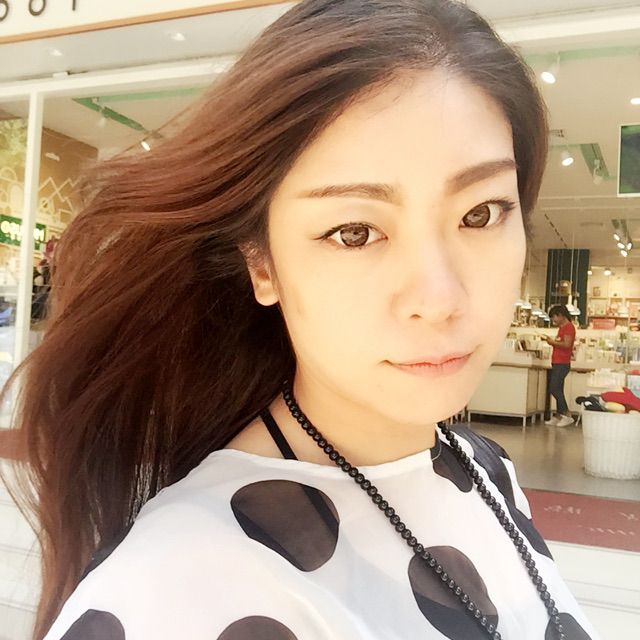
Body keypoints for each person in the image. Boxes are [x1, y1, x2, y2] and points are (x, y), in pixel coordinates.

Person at [1, 2, 600, 639]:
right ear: (263, 265)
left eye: (480, 214)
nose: (440, 298)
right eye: (354, 231)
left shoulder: (484, 469)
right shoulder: (185, 588)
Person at [544, 305, 577, 427]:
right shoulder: (562, 328)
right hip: (558, 362)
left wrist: (552, 342)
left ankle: (566, 414)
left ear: (561, 315)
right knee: (558, 389)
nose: (554, 320)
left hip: (562, 363)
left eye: (554, 317)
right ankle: (559, 415)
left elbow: (567, 344)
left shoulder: (568, 327)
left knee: (554, 388)